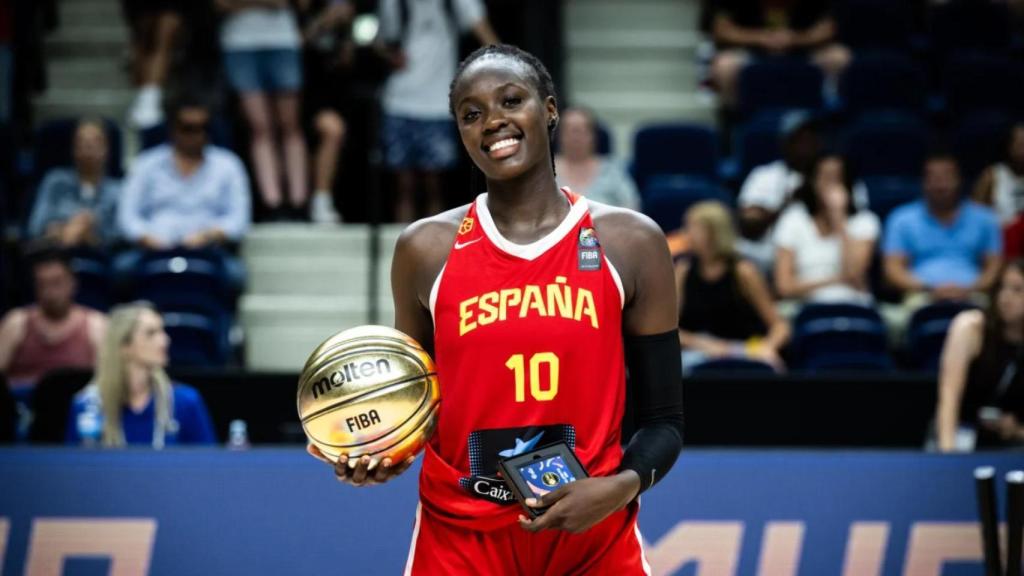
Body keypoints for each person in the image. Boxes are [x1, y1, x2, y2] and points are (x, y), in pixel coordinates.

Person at [308, 45, 683, 574]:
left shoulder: (630, 241)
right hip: (460, 531)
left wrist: (617, 490)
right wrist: (383, 451)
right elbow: (414, 402)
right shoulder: (425, 248)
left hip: (590, 533)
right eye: (471, 113)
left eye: (511, 100)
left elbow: (664, 421)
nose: (494, 122)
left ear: (549, 109)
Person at [375, 0, 499, 222]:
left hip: (437, 104)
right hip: (400, 101)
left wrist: (506, 64)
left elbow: (482, 29)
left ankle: (433, 246)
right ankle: (405, 247)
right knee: (404, 187)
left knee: (435, 184)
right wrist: (389, 56)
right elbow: (381, 42)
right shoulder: (394, 3)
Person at [116, 96, 250, 289]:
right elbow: (127, 217)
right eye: (187, 128)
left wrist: (208, 235)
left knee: (235, 275)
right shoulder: (146, 163)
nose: (194, 135)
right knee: (122, 269)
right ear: (173, 129)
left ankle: (221, 319)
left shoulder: (228, 165)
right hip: (152, 247)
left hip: (209, 249)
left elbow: (238, 221)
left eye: (201, 128)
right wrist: (148, 238)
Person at [65, 302, 216, 447]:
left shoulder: (186, 402)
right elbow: (72, 468)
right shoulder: (88, 406)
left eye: (162, 331)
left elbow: (209, 466)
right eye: (151, 333)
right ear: (124, 346)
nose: (165, 340)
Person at [882, 153, 1002, 332]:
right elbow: (892, 269)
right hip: (920, 295)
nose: (940, 184)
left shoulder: (985, 218)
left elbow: (994, 267)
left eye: (947, 177)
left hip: (975, 294)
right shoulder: (902, 219)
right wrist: (929, 288)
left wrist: (968, 289)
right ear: (923, 182)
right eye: (933, 178)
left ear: (959, 180)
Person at [217, 0, 309, 220]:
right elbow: (221, 5)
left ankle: (298, 203)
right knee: (260, 128)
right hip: (239, 44)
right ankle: (273, 204)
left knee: (290, 126)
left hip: (282, 41)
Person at [677, 201, 790, 372]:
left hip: (743, 349)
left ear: (713, 233)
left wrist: (767, 347)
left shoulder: (743, 272)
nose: (686, 234)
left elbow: (780, 326)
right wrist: (703, 343)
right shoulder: (683, 271)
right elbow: (669, 329)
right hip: (698, 350)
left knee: (771, 365)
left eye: (693, 228)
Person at [936, 261, 1024, 451]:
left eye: (1018, 290)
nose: (1005, 297)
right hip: (963, 436)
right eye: (1002, 287)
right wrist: (947, 456)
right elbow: (949, 397)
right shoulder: (970, 327)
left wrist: (1017, 430)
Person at [773, 154, 879, 306]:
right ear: (812, 182)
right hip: (803, 305)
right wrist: (836, 280)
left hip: (854, 304)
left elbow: (855, 275)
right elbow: (783, 287)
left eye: (838, 178)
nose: (831, 185)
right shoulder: (792, 220)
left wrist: (838, 218)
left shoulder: (865, 221)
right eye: (826, 177)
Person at [0, 247, 106, 391]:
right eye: (42, 284)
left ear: (73, 283)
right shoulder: (16, 323)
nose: (50, 293)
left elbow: (109, 382)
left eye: (57, 283)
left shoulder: (96, 325)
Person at [708, 0, 851, 108]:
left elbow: (829, 28)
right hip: (752, 49)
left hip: (804, 48)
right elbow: (721, 29)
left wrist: (796, 38)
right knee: (725, 65)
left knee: (838, 57)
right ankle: (734, 121)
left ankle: (832, 116)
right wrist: (760, 38)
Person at [736, 112, 821, 272]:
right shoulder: (764, 175)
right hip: (767, 257)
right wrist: (787, 204)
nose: (806, 146)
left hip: (816, 257)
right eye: (800, 140)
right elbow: (748, 225)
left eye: (812, 139)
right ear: (786, 143)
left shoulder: (833, 176)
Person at [301, 0, 356, 224]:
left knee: (338, 133)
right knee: (332, 130)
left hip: (339, 93)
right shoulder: (305, 9)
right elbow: (296, 45)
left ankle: (324, 199)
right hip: (302, 91)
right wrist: (323, 22)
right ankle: (318, 200)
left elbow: (348, 61)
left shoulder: (350, 9)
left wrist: (346, 30)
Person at [27, 119, 121, 247]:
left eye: (95, 141)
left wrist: (88, 234)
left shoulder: (118, 190)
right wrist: (65, 230)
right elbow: (36, 227)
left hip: (102, 258)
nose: (88, 146)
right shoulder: (55, 181)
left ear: (107, 149)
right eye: (82, 141)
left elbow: (122, 235)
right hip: (54, 251)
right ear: (73, 148)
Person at [554, 107, 640, 210]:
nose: (576, 137)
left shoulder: (612, 169)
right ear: (559, 135)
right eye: (571, 131)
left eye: (582, 131)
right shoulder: (546, 170)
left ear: (593, 136)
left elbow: (632, 207)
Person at [973, 122, 1024, 226]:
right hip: (1001, 237)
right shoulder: (992, 175)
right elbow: (974, 216)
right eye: (1019, 144)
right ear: (1008, 146)